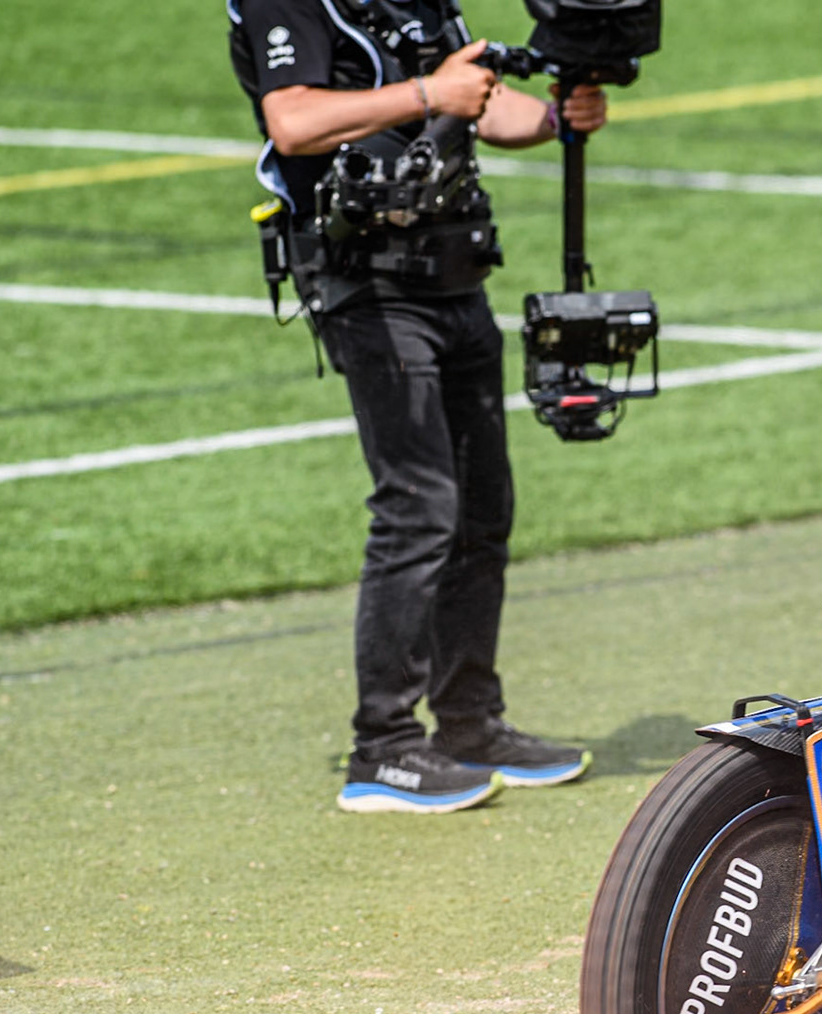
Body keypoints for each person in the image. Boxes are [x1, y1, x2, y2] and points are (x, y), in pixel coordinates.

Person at [228, 0, 596, 813]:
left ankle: (468, 722)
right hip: (365, 281)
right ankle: (384, 748)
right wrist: (430, 95)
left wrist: (558, 120)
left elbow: (479, 97)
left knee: (482, 507)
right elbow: (293, 122)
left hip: (454, 270)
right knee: (418, 504)